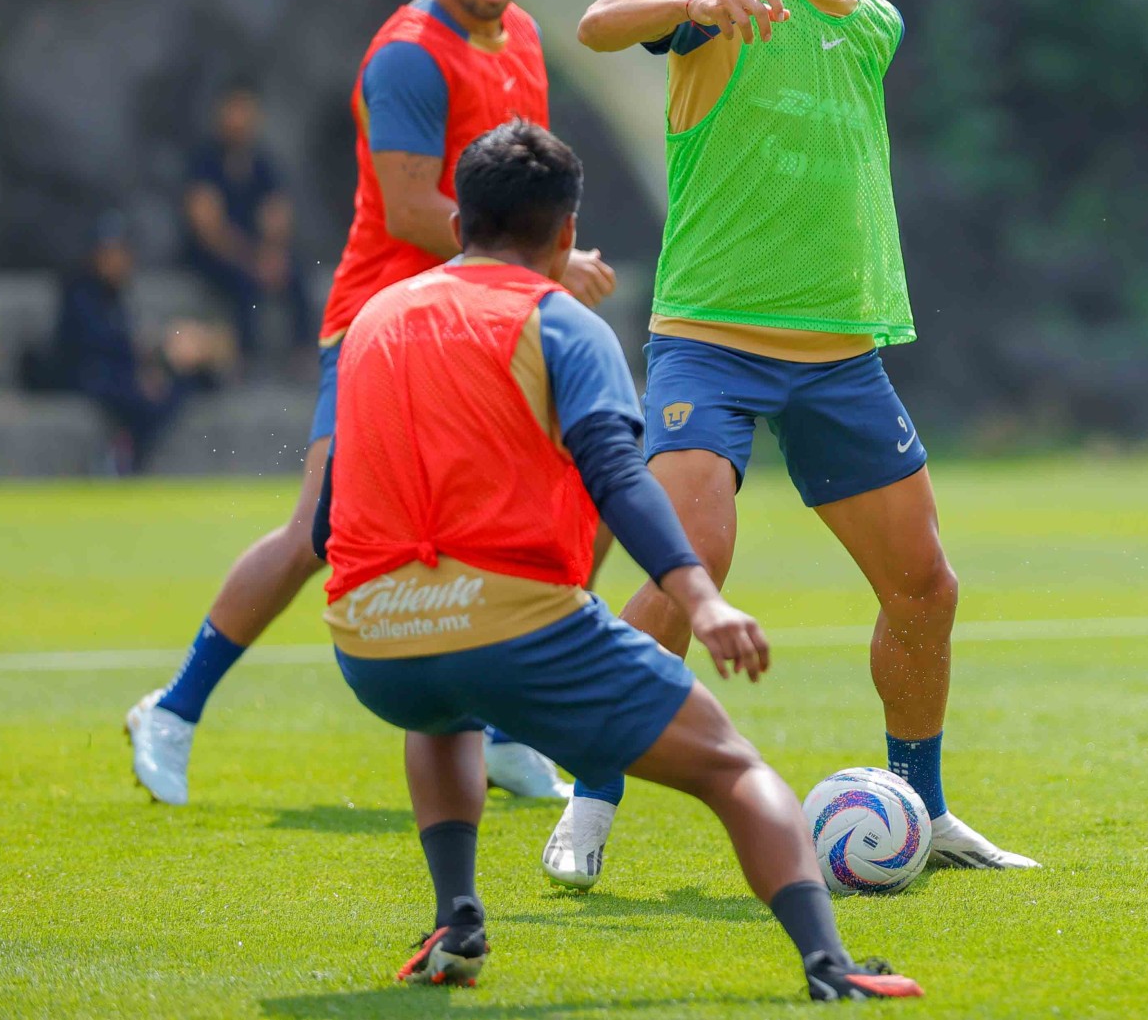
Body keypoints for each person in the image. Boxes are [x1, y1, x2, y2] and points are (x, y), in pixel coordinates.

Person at [312, 120, 922, 1000]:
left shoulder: (374, 317)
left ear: (457, 224)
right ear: (566, 234)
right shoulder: (563, 322)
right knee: (734, 767)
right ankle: (832, 964)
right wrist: (701, 599)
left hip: (373, 644)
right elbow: (619, 477)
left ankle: (457, 917)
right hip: (510, 633)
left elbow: (331, 507)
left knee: (441, 704)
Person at [565, 0, 1034, 881]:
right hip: (711, 343)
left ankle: (922, 808)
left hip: (840, 354)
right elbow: (597, 20)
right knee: (692, 565)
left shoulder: (879, 23)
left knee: (926, 588)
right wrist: (701, 3)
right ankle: (589, 797)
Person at [126, 0, 617, 805]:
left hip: (486, 318)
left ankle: (511, 731)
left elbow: (523, 193)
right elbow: (408, 207)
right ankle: (174, 708)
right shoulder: (407, 57)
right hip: (383, 325)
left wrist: (543, 268)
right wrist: (552, 268)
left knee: (583, 496)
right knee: (318, 529)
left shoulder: (522, 36)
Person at [53, 213, 230, 474]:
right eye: (111, 253)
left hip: (116, 371)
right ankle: (120, 455)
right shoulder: (79, 291)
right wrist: (149, 350)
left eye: (122, 253)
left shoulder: (117, 293)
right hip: (87, 373)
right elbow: (92, 344)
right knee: (146, 396)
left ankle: (127, 452)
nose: (118, 261)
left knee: (178, 385)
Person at [182, 84, 312, 360]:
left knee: (296, 276)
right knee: (243, 284)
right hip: (213, 254)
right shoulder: (204, 161)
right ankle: (246, 358)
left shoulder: (262, 164)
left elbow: (277, 214)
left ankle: (303, 354)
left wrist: (272, 254)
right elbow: (208, 227)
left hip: (253, 253)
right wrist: (250, 259)